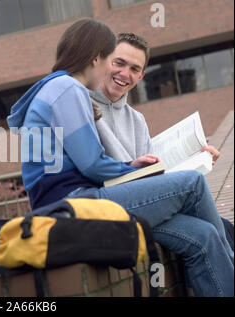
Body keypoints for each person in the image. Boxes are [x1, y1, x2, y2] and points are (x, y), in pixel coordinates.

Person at [7, 19, 233, 297]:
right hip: (74, 205)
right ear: (97, 58)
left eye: (134, 68)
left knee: (204, 235)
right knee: (193, 183)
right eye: (113, 62)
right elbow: (92, 163)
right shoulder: (67, 89)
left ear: (141, 76)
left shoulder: (62, 89)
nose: (113, 72)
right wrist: (131, 166)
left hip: (79, 202)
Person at [90, 32, 234, 251]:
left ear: (141, 76)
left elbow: (155, 173)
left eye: (134, 69)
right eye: (119, 63)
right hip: (116, 207)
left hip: (151, 201)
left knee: (224, 229)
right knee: (207, 232)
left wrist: (197, 159)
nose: (124, 73)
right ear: (102, 61)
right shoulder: (83, 107)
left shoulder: (137, 120)